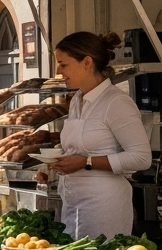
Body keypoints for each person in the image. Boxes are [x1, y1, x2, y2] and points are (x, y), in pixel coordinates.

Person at [50, 31, 152, 239]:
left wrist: (85, 162)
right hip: (72, 201)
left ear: (87, 62)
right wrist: (58, 161)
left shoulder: (116, 103)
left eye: (63, 64)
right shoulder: (77, 100)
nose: (58, 71)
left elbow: (141, 158)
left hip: (104, 207)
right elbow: (79, 147)